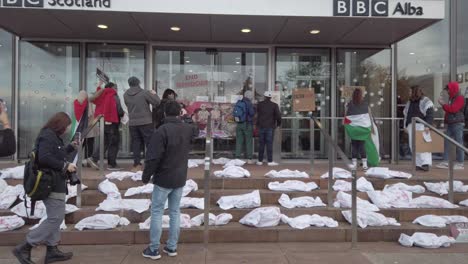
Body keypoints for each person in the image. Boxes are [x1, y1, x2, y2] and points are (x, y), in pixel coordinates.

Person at [13, 112, 77, 264]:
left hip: (56, 182)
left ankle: (52, 250)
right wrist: (65, 165)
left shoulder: (53, 137)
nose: (68, 128)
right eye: (68, 125)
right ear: (60, 124)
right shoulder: (48, 136)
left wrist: (69, 148)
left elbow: (55, 154)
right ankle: (26, 245)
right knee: (56, 218)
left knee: (56, 216)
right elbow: (45, 157)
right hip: (51, 183)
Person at [141, 101, 198, 260]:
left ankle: (154, 249)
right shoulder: (187, 129)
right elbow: (196, 130)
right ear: (180, 113)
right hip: (180, 177)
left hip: (163, 178)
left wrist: (146, 176)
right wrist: (187, 117)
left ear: (165, 113)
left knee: (157, 211)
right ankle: (172, 247)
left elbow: (153, 157)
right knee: (175, 212)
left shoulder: (161, 131)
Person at [124, 77, 160, 172]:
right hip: (146, 122)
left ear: (129, 84)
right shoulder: (144, 93)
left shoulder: (125, 94)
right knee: (150, 143)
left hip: (133, 122)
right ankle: (151, 163)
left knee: (136, 143)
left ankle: (136, 164)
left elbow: (128, 106)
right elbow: (157, 102)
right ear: (139, 83)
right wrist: (154, 94)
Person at [87, 82, 124, 171]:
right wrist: (122, 114)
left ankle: (93, 158)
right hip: (112, 122)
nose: (117, 89)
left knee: (106, 141)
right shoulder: (113, 95)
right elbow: (119, 110)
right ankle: (112, 164)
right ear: (112, 88)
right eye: (116, 87)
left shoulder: (102, 95)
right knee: (114, 142)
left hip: (103, 121)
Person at [403, 86, 434, 171]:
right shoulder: (410, 102)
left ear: (415, 92)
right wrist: (405, 126)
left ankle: (425, 164)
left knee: (423, 145)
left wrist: (428, 126)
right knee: (413, 145)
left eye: (410, 91)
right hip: (411, 125)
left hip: (421, 126)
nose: (409, 93)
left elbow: (430, 115)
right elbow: (406, 115)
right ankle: (417, 164)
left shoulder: (426, 101)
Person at [436, 82, 466, 170]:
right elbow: (449, 111)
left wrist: (443, 104)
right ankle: (445, 162)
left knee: (459, 143)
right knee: (446, 142)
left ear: (453, 89)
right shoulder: (452, 98)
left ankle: (460, 163)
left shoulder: (460, 98)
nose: (448, 91)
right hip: (450, 123)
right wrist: (445, 121)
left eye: (448, 89)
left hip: (457, 123)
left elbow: (453, 109)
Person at [256, 91, 281, 166]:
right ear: (271, 97)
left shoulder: (259, 104)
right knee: (269, 144)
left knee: (261, 144)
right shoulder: (274, 105)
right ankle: (270, 161)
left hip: (261, 126)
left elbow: (257, 114)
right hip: (270, 127)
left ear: (264, 96)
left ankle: (260, 161)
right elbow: (278, 116)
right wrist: (278, 124)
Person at [73, 91, 99, 163]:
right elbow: (90, 114)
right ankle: (88, 160)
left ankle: (75, 159)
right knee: (89, 144)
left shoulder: (76, 103)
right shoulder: (87, 102)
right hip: (89, 127)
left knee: (79, 144)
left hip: (79, 128)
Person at [234, 90, 255, 164]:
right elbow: (252, 113)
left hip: (239, 124)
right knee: (248, 141)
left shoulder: (239, 102)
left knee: (239, 141)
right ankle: (249, 158)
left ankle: (237, 157)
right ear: (250, 96)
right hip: (247, 124)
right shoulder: (249, 103)